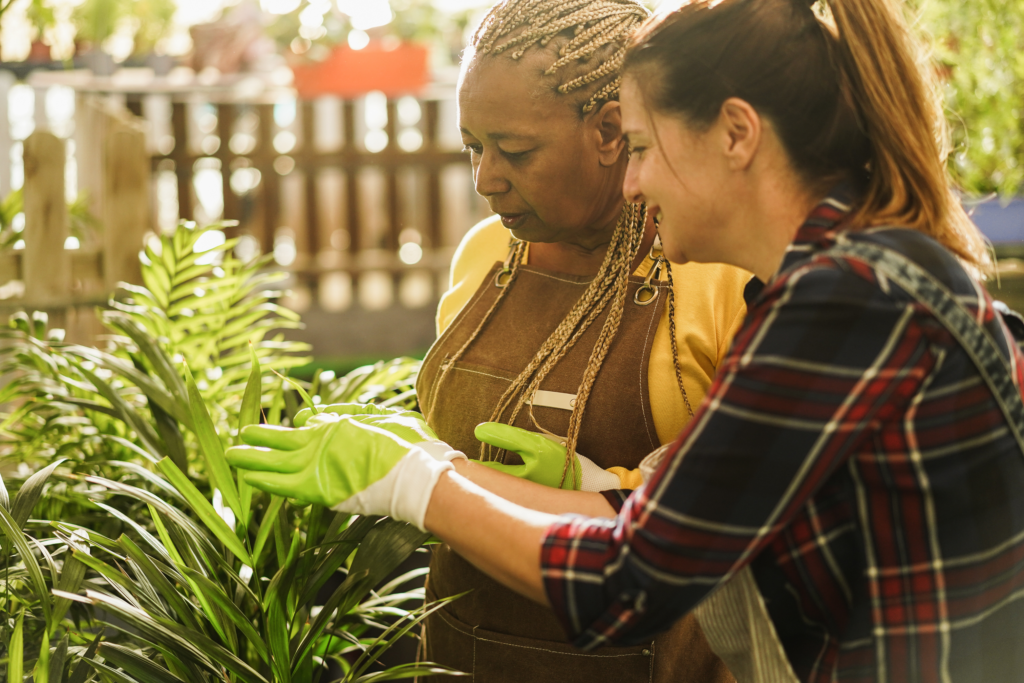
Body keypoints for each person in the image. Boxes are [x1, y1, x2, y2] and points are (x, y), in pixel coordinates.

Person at [227, 0, 1024, 680]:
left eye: (640, 147)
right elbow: (672, 508)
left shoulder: (837, 308)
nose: (633, 183)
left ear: (736, 134)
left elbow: (628, 580)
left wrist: (416, 483)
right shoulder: (871, 270)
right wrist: (459, 470)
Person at [289, 1, 750, 681]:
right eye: (475, 146)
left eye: (516, 150)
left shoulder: (713, 275)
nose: (485, 179)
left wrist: (601, 485)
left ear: (611, 131)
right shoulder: (485, 258)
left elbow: (719, 520)